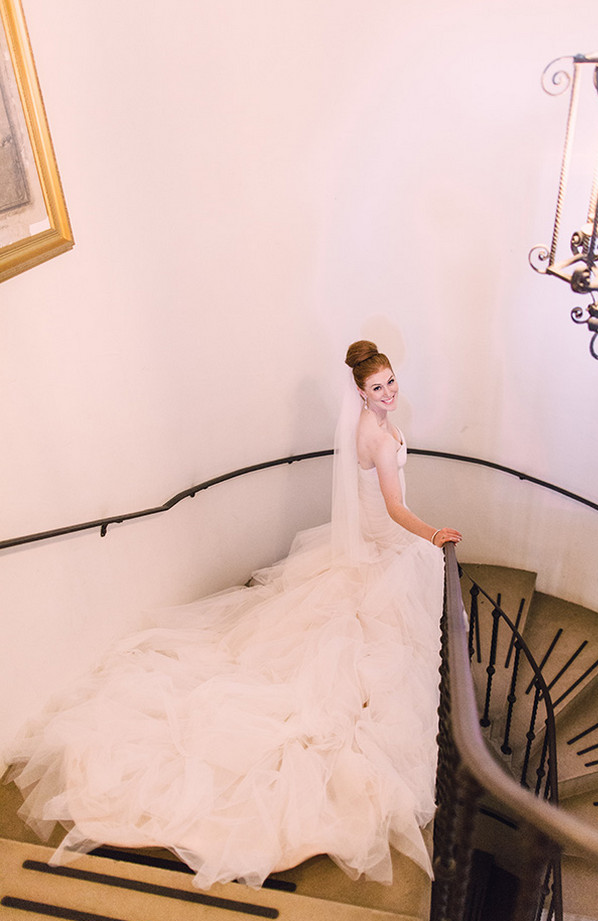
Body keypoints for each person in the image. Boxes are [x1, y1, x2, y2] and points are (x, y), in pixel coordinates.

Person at [5, 340, 461, 890]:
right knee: (368, 653)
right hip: (383, 543)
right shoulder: (378, 439)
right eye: (378, 388)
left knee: (367, 641)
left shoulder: (370, 426)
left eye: (391, 382)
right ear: (360, 393)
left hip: (372, 545)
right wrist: (433, 535)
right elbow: (392, 507)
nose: (389, 393)